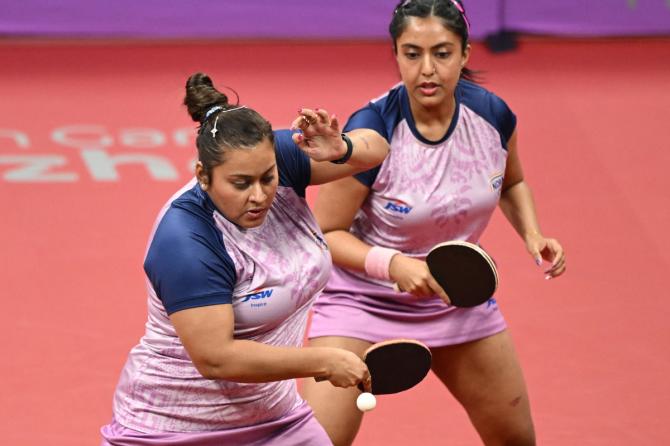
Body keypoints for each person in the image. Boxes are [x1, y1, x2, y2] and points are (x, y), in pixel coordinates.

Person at [301, 1, 566, 445]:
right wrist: (395, 266)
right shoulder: (373, 129)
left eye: (442, 53)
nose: (427, 70)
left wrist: (533, 232)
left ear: (464, 54)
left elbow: (511, 182)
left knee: (515, 440)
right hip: (361, 302)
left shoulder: (492, 116)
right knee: (318, 443)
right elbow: (324, 234)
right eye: (412, 53)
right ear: (396, 53)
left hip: (453, 298)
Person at [100, 72, 390, 446]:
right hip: (173, 429)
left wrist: (343, 149)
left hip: (278, 420)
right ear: (203, 176)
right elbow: (216, 359)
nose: (259, 196)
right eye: (240, 184)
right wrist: (324, 361)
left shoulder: (279, 161)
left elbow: (379, 151)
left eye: (267, 179)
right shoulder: (186, 240)